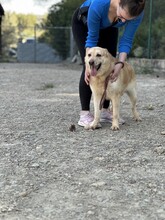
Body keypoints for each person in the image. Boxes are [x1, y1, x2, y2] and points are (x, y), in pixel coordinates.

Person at [72, 0, 145, 127]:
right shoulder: (99, 5)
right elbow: (92, 38)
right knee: (92, 64)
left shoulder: (137, 12)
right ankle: (85, 114)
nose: (123, 22)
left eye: (126, 20)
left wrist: (120, 63)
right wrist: (88, 65)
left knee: (109, 64)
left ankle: (105, 111)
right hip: (85, 22)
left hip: (110, 26)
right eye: (122, 17)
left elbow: (126, 40)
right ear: (119, 2)